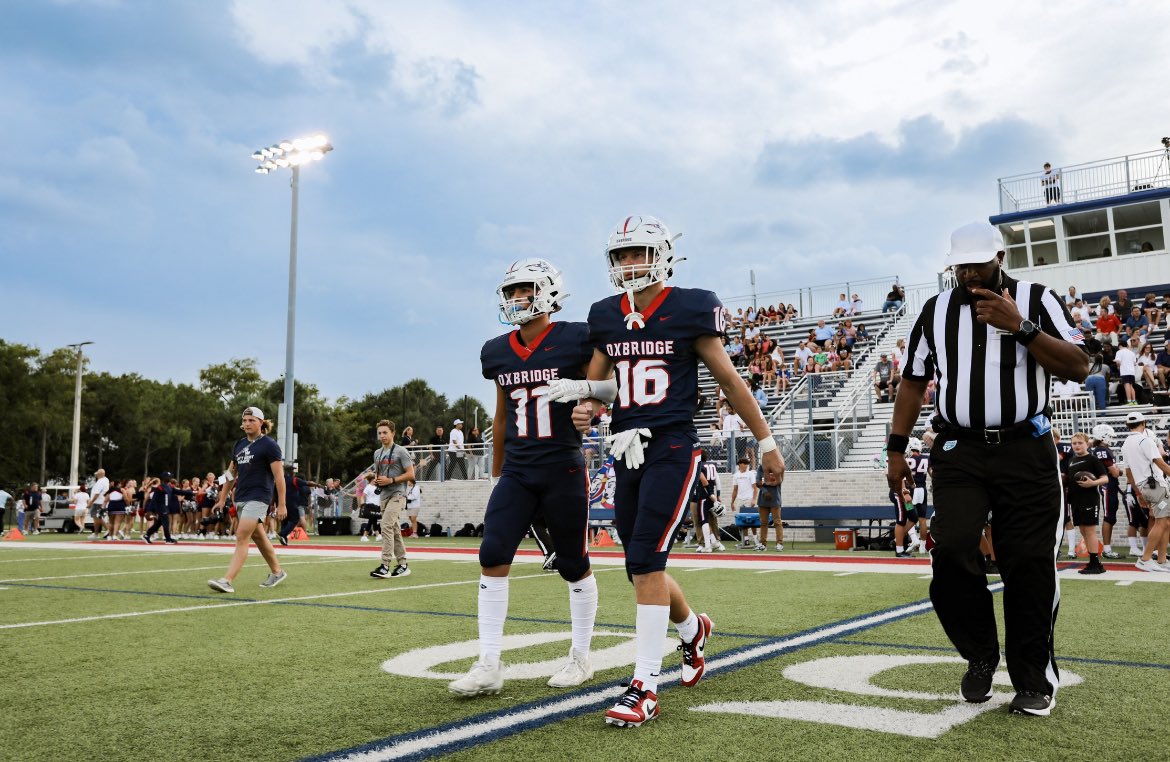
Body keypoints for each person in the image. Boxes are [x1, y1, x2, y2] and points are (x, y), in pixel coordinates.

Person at [556, 214, 784, 727]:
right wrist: (586, 406)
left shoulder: (690, 306)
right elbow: (601, 383)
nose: (629, 264)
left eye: (638, 253)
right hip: (626, 446)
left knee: (645, 555)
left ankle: (643, 685)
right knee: (641, 565)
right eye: (622, 256)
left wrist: (766, 443)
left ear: (662, 255)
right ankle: (692, 630)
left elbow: (728, 379)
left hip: (674, 446)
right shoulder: (606, 315)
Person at [886, 220, 1088, 718]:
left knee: (1028, 563)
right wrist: (895, 449)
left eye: (980, 263)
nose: (971, 273)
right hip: (959, 449)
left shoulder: (1038, 298)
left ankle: (1033, 679)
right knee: (951, 547)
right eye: (962, 265)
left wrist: (1020, 325)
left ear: (1000, 257)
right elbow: (913, 382)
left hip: (1026, 447)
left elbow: (1080, 365)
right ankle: (980, 653)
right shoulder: (935, 311)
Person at [448, 258, 599, 697]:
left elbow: (605, 381)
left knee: (572, 563)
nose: (517, 299)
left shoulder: (576, 338)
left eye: (525, 289)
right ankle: (489, 663)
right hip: (517, 468)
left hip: (562, 464)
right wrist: (496, 475)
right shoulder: (496, 350)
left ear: (549, 291)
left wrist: (593, 407)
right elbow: (500, 415)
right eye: (511, 291)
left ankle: (581, 656)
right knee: (492, 552)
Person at [207, 407, 287, 593]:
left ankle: (227, 580)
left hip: (259, 497)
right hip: (241, 496)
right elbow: (230, 474)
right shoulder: (239, 444)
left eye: (252, 420)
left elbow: (279, 476)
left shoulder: (269, 445)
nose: (248, 423)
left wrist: (282, 503)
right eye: (245, 420)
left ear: (261, 422)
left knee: (242, 536)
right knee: (258, 537)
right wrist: (222, 499)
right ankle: (277, 571)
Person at [365, 419, 416, 579]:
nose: (382, 436)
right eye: (380, 433)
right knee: (393, 530)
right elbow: (381, 474)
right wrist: (376, 478)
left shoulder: (401, 451)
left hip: (398, 493)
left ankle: (385, 566)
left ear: (393, 433)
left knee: (385, 525)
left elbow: (411, 474)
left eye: (385, 432)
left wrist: (391, 480)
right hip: (384, 495)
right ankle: (403, 565)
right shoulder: (377, 453)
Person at [1120, 412, 1170, 572]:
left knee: (1166, 522)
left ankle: (1162, 560)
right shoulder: (1145, 440)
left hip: (1145, 487)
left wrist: (1139, 493)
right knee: (1162, 522)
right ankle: (1145, 559)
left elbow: (1128, 473)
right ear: (1144, 423)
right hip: (1156, 486)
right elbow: (1160, 463)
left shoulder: (1125, 444)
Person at [1065, 433, 1108, 574]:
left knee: (1089, 531)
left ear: (1087, 444)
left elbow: (1105, 479)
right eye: (1074, 443)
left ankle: (1096, 565)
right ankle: (1092, 562)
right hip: (1075, 501)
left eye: (1080, 443)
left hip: (1089, 499)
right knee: (1083, 531)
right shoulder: (1071, 461)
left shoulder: (1092, 459)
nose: (1076, 445)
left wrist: (1092, 483)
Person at [143, 473, 194, 544]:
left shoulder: (169, 487)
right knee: (166, 523)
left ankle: (147, 535)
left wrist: (190, 492)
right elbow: (154, 500)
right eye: (168, 477)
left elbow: (179, 491)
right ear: (164, 478)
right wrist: (150, 510)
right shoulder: (159, 488)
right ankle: (168, 539)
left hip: (166, 508)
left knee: (158, 524)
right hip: (161, 508)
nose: (170, 478)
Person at [755, 459, 782, 551]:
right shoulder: (761, 468)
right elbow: (758, 482)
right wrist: (765, 491)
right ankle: (763, 544)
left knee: (777, 522)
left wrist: (766, 483)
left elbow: (779, 480)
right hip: (763, 499)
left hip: (775, 499)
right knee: (763, 523)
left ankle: (779, 543)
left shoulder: (778, 467)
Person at [88, 469, 110, 540]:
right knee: (98, 518)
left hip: (97, 502)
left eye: (97, 473)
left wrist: (91, 502)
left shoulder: (100, 482)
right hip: (101, 501)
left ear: (99, 474)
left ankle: (106, 531)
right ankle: (98, 533)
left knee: (96, 518)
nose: (96, 475)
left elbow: (97, 494)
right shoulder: (106, 480)